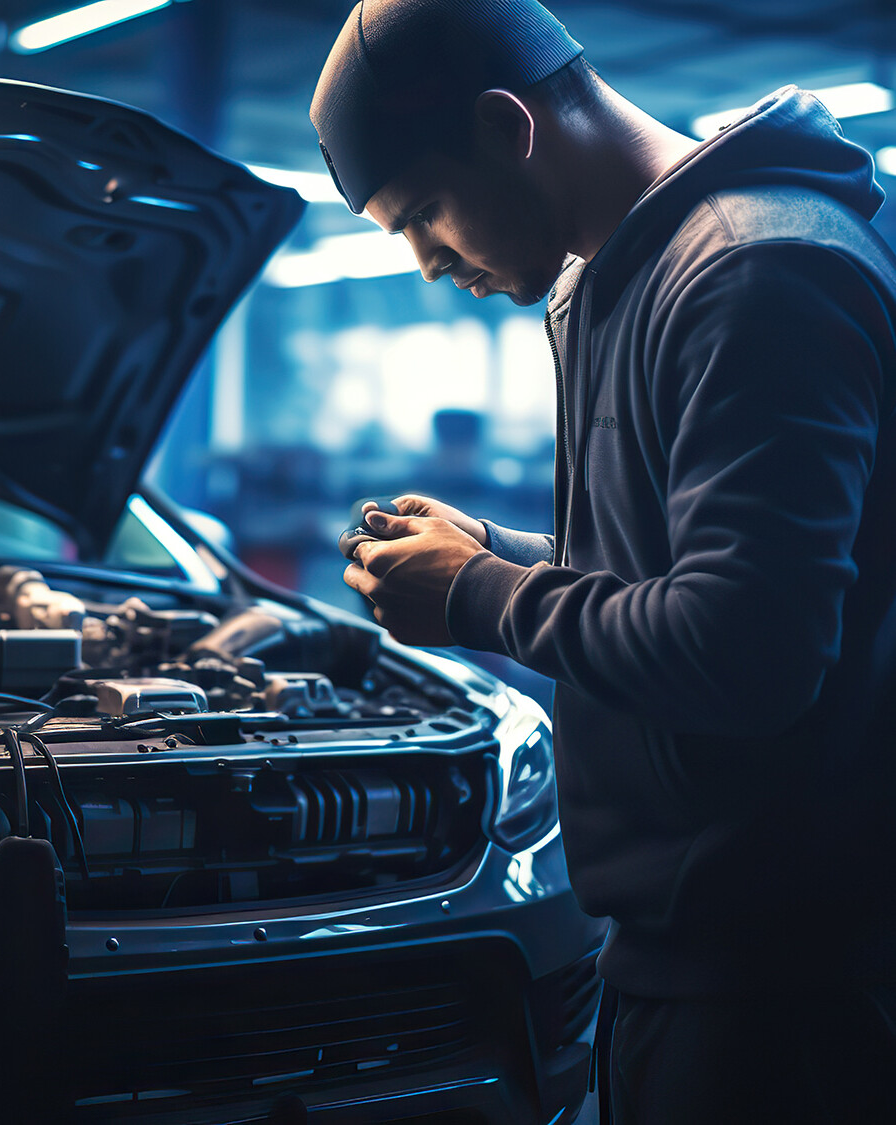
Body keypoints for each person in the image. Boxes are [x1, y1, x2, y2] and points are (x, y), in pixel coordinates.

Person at [310, 1, 896, 1121]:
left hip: (783, 993)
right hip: (680, 954)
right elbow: (655, 577)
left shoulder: (752, 271)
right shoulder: (622, 276)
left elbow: (746, 654)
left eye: (423, 214)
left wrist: (480, 596)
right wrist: (497, 554)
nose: (429, 264)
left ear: (504, 125)